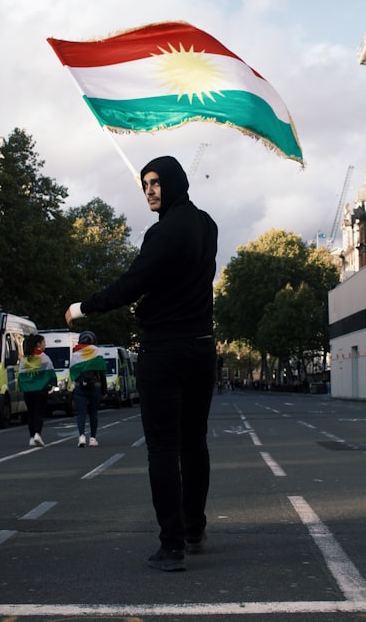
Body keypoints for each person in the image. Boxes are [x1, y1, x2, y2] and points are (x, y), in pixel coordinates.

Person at [65, 155, 217, 572]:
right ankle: (194, 528)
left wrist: (83, 307)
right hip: (202, 348)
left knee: (164, 449)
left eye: (155, 183)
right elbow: (183, 279)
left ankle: (172, 546)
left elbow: (131, 284)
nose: (149, 190)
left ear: (173, 183)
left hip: (164, 351)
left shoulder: (162, 232)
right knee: (195, 442)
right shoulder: (208, 226)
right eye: (145, 184)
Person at [68, 331, 105, 448]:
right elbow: (102, 373)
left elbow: (72, 371)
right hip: (95, 387)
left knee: (81, 413)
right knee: (93, 413)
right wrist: (104, 390)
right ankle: (93, 438)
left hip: (80, 387)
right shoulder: (97, 352)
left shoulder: (75, 353)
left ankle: (81, 436)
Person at [18, 334, 55, 447]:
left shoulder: (24, 359)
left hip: (28, 390)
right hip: (41, 389)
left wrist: (23, 388)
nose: (45, 345)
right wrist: (52, 384)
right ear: (38, 344)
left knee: (31, 413)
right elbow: (51, 374)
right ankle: (38, 434)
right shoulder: (44, 358)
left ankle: (31, 437)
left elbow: (20, 376)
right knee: (39, 412)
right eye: (44, 342)